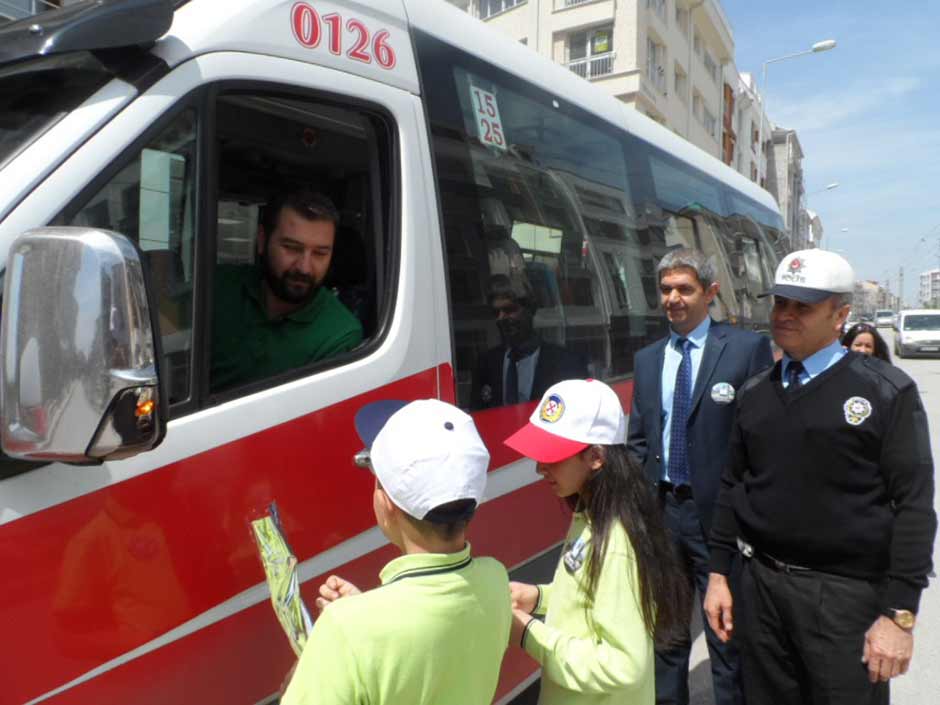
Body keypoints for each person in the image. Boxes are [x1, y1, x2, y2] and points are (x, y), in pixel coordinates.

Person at [704, 249, 937, 705]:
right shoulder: (756, 392)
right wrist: (718, 574)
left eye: (802, 307)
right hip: (763, 589)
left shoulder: (885, 392)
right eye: (780, 303)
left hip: (845, 598)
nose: (785, 315)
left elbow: (913, 507)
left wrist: (899, 615)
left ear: (840, 316)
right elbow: (733, 486)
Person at [280, 398, 511, 705]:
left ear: (386, 502)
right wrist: (366, 609)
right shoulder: (495, 578)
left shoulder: (345, 629)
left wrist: (325, 650)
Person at [626, 247, 772, 705]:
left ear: (710, 293)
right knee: (666, 639)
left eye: (684, 289)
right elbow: (639, 439)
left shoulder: (745, 350)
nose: (673, 298)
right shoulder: (648, 359)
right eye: (666, 289)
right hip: (663, 514)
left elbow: (761, 442)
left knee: (724, 639)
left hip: (720, 521)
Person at [505, 379, 690, 705]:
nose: (539, 468)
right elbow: (591, 596)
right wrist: (538, 597)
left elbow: (624, 666)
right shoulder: (591, 515)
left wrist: (530, 634)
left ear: (596, 457)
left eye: (552, 456)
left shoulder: (616, 544)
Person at [211, 188, 363, 391]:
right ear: (262, 241)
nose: (304, 268)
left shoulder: (339, 334)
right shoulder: (219, 284)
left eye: (320, 253)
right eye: (292, 248)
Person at [472, 274, 588, 409]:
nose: (501, 318)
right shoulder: (486, 364)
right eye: (496, 312)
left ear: (530, 309)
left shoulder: (567, 363)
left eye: (509, 310)